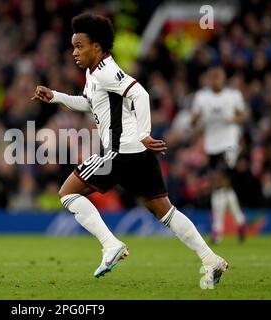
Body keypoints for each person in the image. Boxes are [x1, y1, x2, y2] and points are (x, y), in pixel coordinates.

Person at [31, 13, 227, 288]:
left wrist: (145, 132)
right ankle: (210, 258)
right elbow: (90, 103)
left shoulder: (108, 72)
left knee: (67, 193)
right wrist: (57, 96)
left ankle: (110, 244)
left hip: (120, 152)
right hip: (136, 154)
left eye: (79, 46)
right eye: (73, 46)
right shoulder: (95, 73)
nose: (74, 52)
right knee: (164, 211)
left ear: (96, 47)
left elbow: (140, 94)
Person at [192, 66, 247, 244]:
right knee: (225, 187)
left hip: (230, 143)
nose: (216, 80)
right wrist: (195, 119)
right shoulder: (201, 97)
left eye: (218, 77)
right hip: (212, 145)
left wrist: (235, 119)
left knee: (218, 182)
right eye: (212, 78)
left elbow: (244, 114)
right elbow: (194, 119)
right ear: (208, 79)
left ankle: (217, 230)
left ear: (223, 79)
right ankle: (240, 221)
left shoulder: (233, 95)